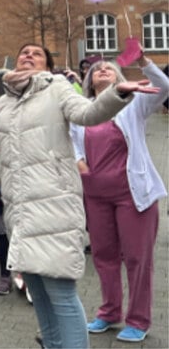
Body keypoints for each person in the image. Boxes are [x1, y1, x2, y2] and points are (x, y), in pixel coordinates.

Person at [0, 43, 157, 349]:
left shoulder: (57, 88)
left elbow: (89, 113)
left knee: (60, 293)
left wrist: (117, 93)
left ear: (47, 66)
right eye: (24, 51)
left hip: (53, 207)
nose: (28, 54)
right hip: (20, 211)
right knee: (39, 294)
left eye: (37, 53)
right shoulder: (4, 102)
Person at [73, 54, 168, 343]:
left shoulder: (133, 104)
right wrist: (79, 162)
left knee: (138, 258)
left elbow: (164, 87)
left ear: (119, 78)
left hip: (133, 195)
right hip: (96, 195)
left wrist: (143, 61)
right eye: (97, 69)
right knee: (104, 256)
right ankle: (109, 312)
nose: (102, 69)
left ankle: (138, 319)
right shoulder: (83, 109)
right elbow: (71, 140)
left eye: (110, 68)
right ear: (89, 81)